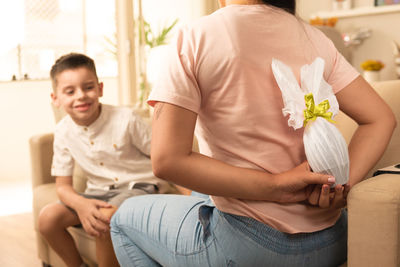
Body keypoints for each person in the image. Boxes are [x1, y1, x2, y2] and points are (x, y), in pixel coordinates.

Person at [110, 1, 397, 266]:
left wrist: (275, 185)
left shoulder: (197, 36)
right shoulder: (315, 37)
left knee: (122, 220)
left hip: (250, 248)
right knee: (200, 191)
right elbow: (381, 119)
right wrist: (337, 187)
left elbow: (167, 160)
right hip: (332, 241)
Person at [37, 53, 176, 267]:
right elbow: (63, 187)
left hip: (139, 187)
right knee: (48, 218)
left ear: (100, 89)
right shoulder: (63, 131)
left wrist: (188, 192)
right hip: (98, 192)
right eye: (70, 91)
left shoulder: (126, 119)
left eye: (88, 87)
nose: (81, 96)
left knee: (103, 219)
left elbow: (163, 157)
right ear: (56, 99)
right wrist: (82, 205)